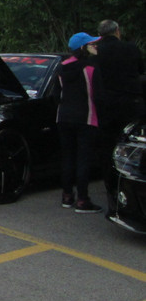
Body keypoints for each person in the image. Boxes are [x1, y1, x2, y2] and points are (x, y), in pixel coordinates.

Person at [93, 19, 145, 217]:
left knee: (107, 149)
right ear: (117, 31)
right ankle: (133, 189)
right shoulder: (130, 49)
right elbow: (140, 70)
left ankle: (112, 192)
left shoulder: (97, 53)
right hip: (131, 104)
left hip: (107, 106)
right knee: (133, 148)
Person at [57, 32, 102, 213]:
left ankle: (67, 195)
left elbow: (56, 94)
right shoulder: (90, 68)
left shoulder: (61, 67)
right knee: (83, 158)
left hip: (63, 117)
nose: (95, 47)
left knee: (67, 156)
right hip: (86, 116)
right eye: (92, 44)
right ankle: (83, 200)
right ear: (83, 48)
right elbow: (98, 94)